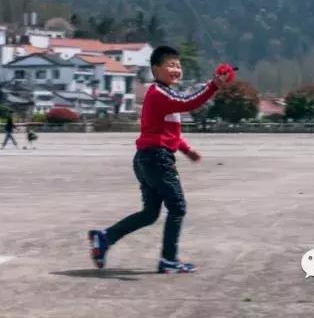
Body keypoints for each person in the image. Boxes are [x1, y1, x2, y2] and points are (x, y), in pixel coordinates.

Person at [87, 47, 233, 275]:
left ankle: (104, 238)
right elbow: (188, 103)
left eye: (178, 65)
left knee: (150, 213)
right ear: (156, 69)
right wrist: (213, 85)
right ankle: (168, 260)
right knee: (177, 207)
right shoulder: (159, 93)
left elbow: (170, 133)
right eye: (171, 65)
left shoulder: (166, 94)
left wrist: (186, 150)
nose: (177, 69)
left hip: (147, 158)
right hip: (156, 158)